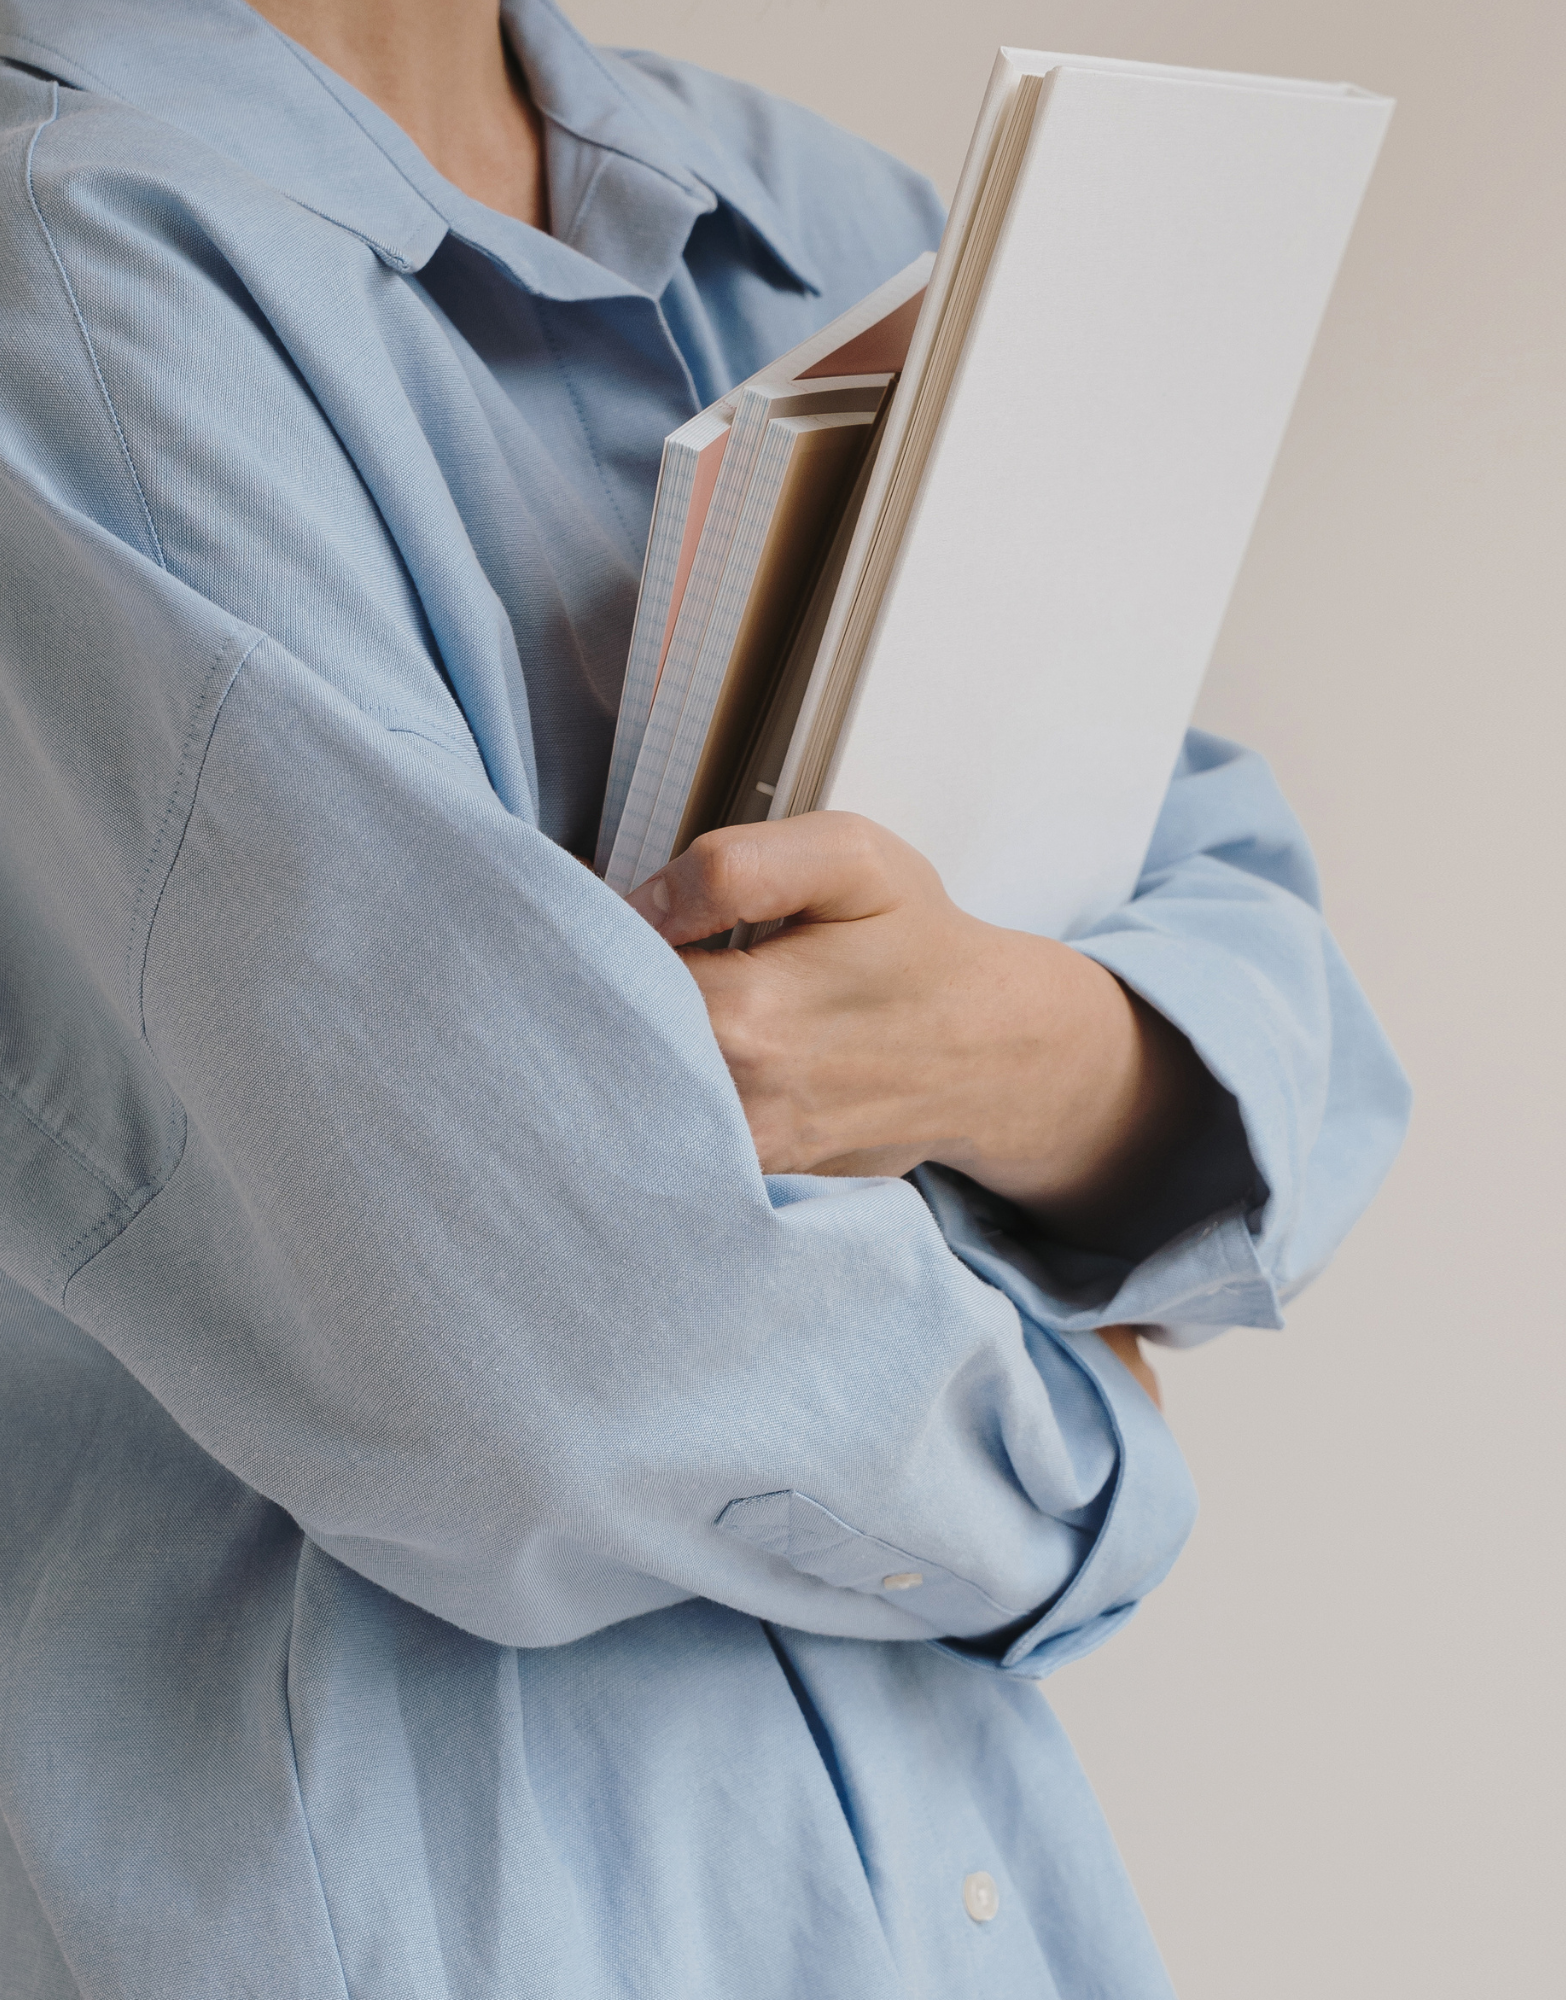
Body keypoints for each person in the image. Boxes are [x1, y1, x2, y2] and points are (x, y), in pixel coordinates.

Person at [0, 0, 1411, 1993]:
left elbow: (1286, 999)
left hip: (962, 1903)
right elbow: (543, 1345)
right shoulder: (69, 264)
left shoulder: (821, 222)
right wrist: (1087, 1443)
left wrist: (1010, 1044)